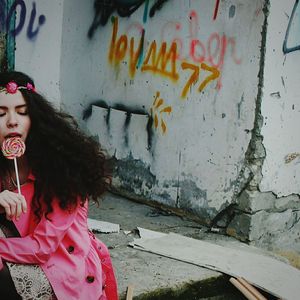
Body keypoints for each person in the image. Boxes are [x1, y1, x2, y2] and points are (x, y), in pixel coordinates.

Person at [0, 71, 118, 300]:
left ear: (35, 119)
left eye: (22, 112)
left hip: (61, 263)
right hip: (16, 252)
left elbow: (41, 247)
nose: (12, 120)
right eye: (1, 113)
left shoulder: (62, 170)